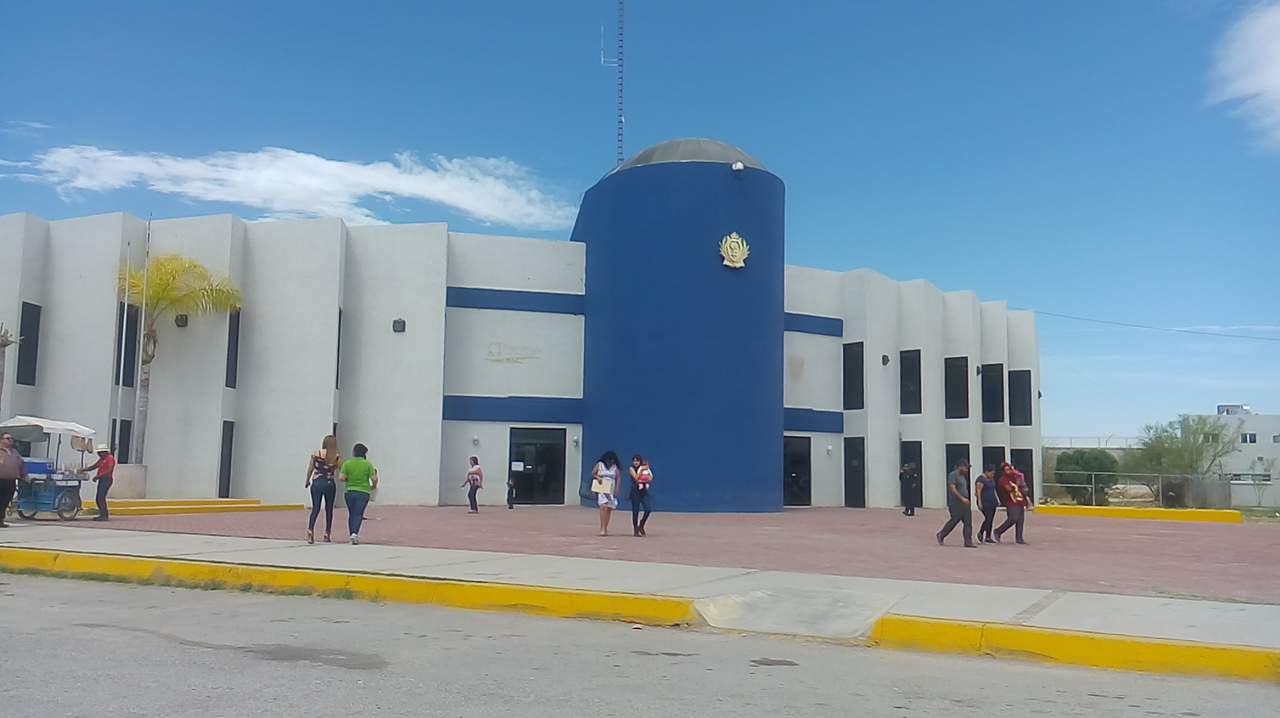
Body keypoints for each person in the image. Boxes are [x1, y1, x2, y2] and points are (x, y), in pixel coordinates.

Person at [338, 443, 378, 545]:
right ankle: (354, 534)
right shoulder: (367, 464)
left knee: (352, 514)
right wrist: (373, 486)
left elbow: (341, 478)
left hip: (350, 491)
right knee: (358, 513)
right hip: (363, 492)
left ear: (354, 452)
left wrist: (349, 479)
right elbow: (374, 478)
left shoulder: (347, 463)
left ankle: (352, 533)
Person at [305, 435, 340, 544]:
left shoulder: (316, 453)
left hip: (317, 483)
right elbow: (339, 468)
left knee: (316, 508)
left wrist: (307, 480)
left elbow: (310, 468)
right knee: (329, 510)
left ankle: (310, 531)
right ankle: (327, 534)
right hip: (329, 483)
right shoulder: (336, 455)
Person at [936, 459, 976, 547]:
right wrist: (961, 498)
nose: (967, 470)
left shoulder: (963, 476)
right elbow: (952, 488)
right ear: (960, 466)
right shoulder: (953, 475)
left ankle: (968, 542)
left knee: (968, 522)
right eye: (966, 467)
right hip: (956, 503)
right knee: (954, 520)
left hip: (965, 503)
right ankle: (941, 534)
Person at [994, 462, 1030, 544]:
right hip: (1011, 501)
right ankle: (998, 531)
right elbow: (1009, 489)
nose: (1009, 471)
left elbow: (1023, 487)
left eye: (1010, 469)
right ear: (1003, 471)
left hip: (1020, 500)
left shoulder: (1015, 476)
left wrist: (1022, 483)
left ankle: (1019, 538)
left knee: (1020, 520)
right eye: (1006, 470)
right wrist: (1017, 483)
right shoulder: (1003, 479)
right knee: (1013, 518)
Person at [82, 444, 117, 522]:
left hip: (107, 479)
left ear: (104, 452)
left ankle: (104, 515)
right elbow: (95, 466)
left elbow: (109, 469)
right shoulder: (102, 459)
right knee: (98, 498)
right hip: (102, 479)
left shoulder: (110, 458)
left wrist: (98, 476)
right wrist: (84, 469)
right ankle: (102, 514)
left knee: (101, 497)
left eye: (100, 452)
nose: (98, 454)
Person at [0, 432, 28, 528]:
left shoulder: (14, 452)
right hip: (0, 479)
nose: (11, 440)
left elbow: (21, 464)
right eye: (8, 438)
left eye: (12, 438)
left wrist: (25, 476)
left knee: (5, 500)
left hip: (11, 480)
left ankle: (1, 520)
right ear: (1, 440)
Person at [592, 451, 620, 536]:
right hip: (602, 487)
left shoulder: (615, 467)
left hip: (611, 489)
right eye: (608, 460)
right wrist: (598, 477)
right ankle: (602, 528)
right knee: (603, 506)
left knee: (608, 508)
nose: (610, 462)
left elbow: (618, 478)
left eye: (611, 460)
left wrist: (617, 489)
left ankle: (605, 527)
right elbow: (593, 473)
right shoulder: (600, 465)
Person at [628, 454, 654, 537]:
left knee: (648, 509)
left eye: (637, 461)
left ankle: (641, 525)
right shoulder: (631, 469)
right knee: (635, 511)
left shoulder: (645, 469)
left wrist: (648, 478)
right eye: (634, 461)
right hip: (635, 492)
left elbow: (650, 478)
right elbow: (636, 478)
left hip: (644, 492)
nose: (635, 462)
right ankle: (636, 529)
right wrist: (642, 470)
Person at [974, 466, 1000, 543]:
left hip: (992, 502)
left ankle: (988, 537)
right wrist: (979, 502)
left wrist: (997, 499)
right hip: (985, 502)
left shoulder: (991, 479)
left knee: (991, 520)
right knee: (988, 518)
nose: (993, 475)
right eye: (991, 473)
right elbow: (978, 491)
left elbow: (993, 490)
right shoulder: (981, 479)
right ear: (987, 472)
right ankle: (981, 532)